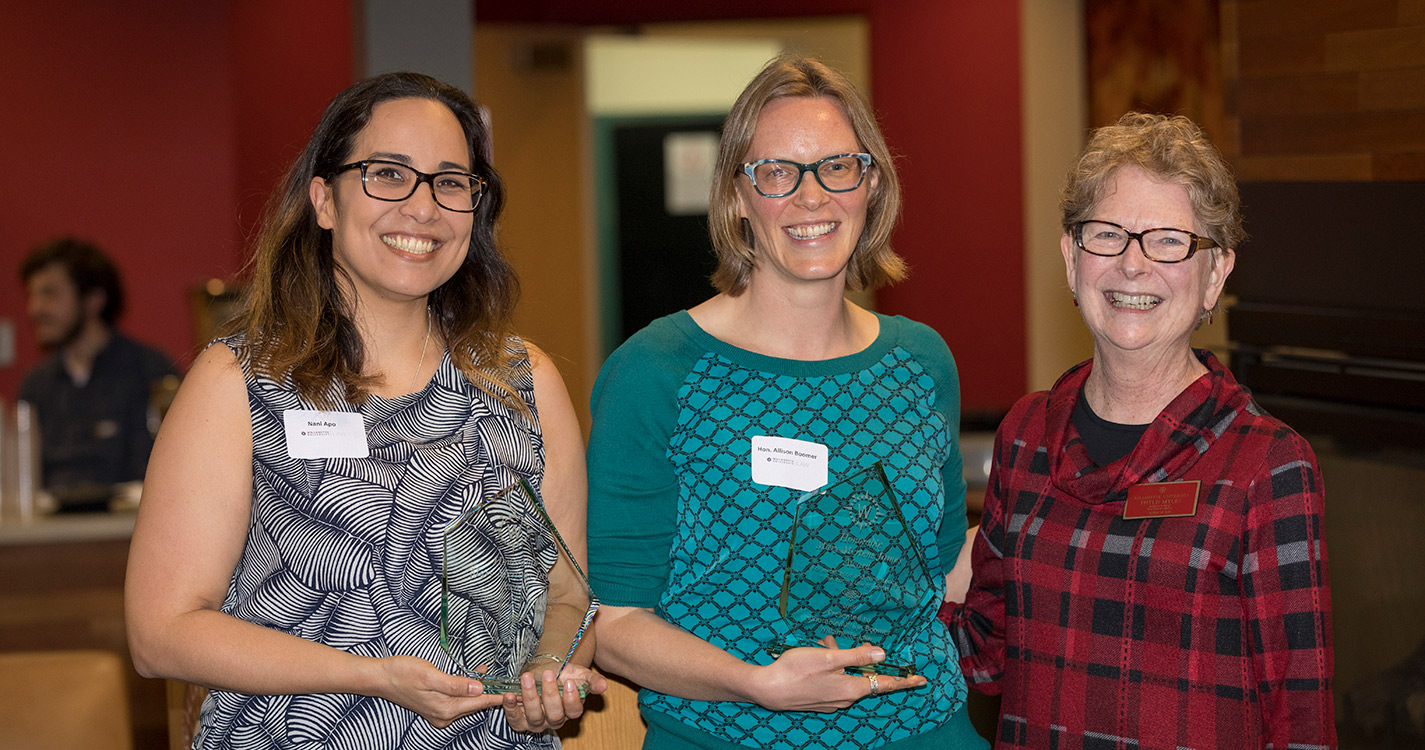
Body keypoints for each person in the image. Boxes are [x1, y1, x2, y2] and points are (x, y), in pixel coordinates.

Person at [125, 72, 604, 749]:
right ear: (323, 199)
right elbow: (161, 633)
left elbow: (565, 598)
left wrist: (549, 676)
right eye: (387, 174)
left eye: (450, 181)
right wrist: (371, 677)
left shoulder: (523, 381)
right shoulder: (236, 382)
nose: (422, 206)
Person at [586, 55, 986, 749]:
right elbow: (613, 623)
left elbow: (942, 572)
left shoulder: (921, 362)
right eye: (777, 172)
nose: (811, 197)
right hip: (732, 732)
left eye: (836, 167)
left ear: (869, 184)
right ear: (737, 196)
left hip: (926, 728)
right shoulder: (655, 372)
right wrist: (755, 682)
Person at [940, 113, 1336, 748]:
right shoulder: (1025, 435)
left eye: (1169, 241)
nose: (1132, 264)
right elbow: (983, 652)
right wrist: (865, 586)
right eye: (1107, 235)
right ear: (1071, 258)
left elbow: (1301, 722)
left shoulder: (1267, 466)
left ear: (1216, 273)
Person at [18, 238, 177, 497]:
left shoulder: (150, 371)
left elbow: (171, 474)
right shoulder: (36, 384)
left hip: (128, 529)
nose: (34, 309)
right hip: (50, 533)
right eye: (32, 295)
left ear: (94, 300)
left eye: (49, 294)